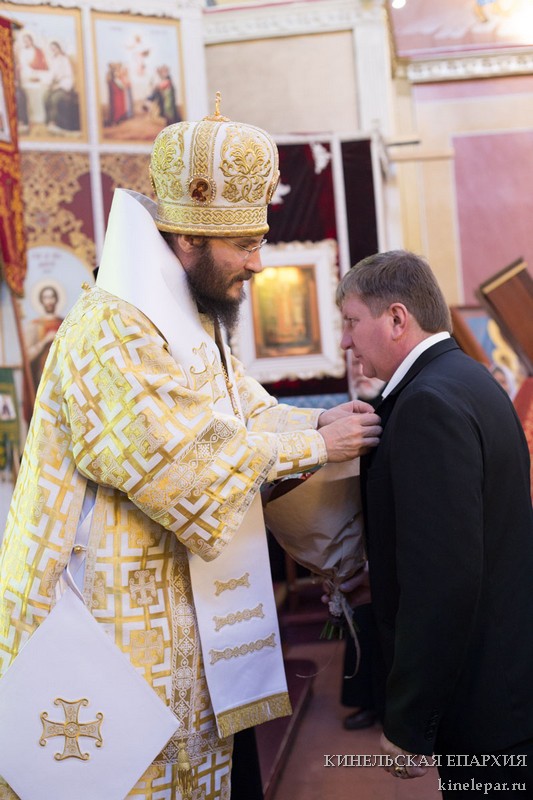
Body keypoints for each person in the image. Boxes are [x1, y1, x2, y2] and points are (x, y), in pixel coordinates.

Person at [0, 101, 381, 800]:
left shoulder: (189, 319)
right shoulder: (111, 329)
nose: (258, 263)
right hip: (104, 629)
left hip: (184, 624)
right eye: (244, 244)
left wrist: (317, 423)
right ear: (188, 238)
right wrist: (314, 447)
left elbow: (244, 412)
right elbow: (178, 466)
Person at [337, 250, 533, 797]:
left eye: (351, 321)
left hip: (482, 696)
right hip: (505, 671)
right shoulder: (466, 376)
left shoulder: (428, 403)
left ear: (397, 318)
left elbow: (443, 580)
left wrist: (409, 721)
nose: (346, 341)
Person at [341, 355, 386, 732]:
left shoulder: (394, 403)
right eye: (352, 364)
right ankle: (366, 700)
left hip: (382, 532)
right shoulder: (343, 411)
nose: (359, 370)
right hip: (353, 529)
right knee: (360, 620)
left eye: (362, 362)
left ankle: (386, 706)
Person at [24, 284, 64, 394]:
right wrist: (44, 341)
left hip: (63, 373)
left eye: (52, 297)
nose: (49, 301)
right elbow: (27, 355)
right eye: (46, 297)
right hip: (42, 376)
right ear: (41, 301)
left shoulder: (64, 323)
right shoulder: (35, 325)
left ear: (56, 299)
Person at [43, 41, 79, 132]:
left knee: (55, 98)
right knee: (45, 96)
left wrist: (58, 86)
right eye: (52, 49)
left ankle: (54, 123)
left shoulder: (65, 60)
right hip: (55, 85)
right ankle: (48, 122)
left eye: (55, 49)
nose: (53, 51)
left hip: (64, 85)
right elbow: (51, 75)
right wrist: (49, 84)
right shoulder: (53, 60)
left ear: (59, 49)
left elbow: (69, 76)